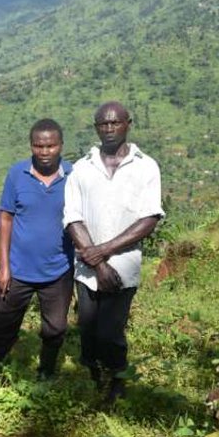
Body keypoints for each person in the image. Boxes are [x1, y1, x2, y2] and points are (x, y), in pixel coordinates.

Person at [63, 101, 164, 402]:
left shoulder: (146, 166)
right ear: (96, 127)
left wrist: (103, 252)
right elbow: (72, 217)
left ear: (127, 123)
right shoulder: (82, 168)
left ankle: (118, 378)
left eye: (115, 123)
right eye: (103, 124)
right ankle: (93, 374)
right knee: (88, 328)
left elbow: (149, 219)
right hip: (87, 269)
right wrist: (96, 263)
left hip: (124, 266)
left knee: (111, 330)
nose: (109, 129)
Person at [0, 119, 74, 380]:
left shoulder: (73, 175)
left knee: (55, 329)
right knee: (4, 325)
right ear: (31, 146)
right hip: (18, 270)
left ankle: (46, 370)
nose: (44, 151)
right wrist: (4, 267)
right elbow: (6, 218)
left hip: (58, 270)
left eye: (51, 145)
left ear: (61, 145)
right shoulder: (17, 174)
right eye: (38, 146)